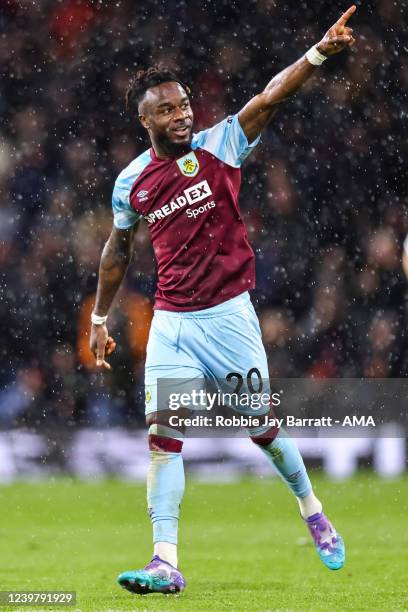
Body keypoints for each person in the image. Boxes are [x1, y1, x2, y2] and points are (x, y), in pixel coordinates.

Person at [90, 5, 357, 596]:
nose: (181, 115)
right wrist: (100, 315)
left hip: (228, 318)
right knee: (164, 439)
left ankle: (311, 507)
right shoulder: (131, 182)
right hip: (170, 324)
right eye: (167, 110)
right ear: (145, 120)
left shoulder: (221, 146)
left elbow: (267, 98)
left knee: (258, 427)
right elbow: (117, 250)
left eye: (184, 105)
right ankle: (165, 560)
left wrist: (316, 53)